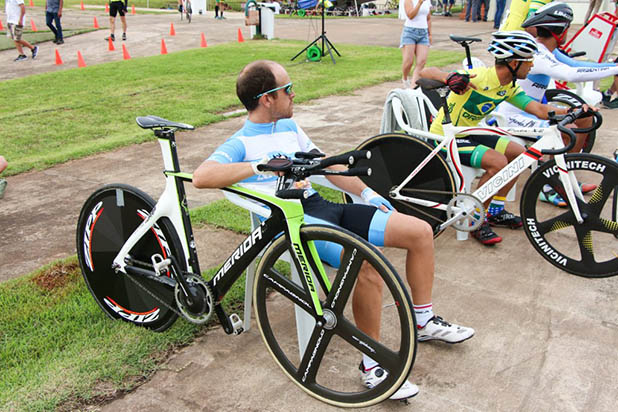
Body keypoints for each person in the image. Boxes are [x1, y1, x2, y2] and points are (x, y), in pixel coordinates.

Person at [193, 60, 475, 400]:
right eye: (287, 88)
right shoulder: (241, 142)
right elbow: (202, 177)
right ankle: (371, 364)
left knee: (419, 233)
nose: (293, 93)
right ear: (267, 98)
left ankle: (423, 321)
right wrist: (257, 166)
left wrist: (367, 193)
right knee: (365, 262)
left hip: (321, 207)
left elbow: (327, 167)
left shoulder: (290, 127)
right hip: (292, 222)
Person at [420, 31, 592, 245]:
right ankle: (475, 217)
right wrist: (449, 78)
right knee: (498, 162)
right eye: (528, 61)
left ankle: (494, 211)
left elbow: (538, 109)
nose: (531, 66)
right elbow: (425, 71)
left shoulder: (508, 87)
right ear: (513, 62)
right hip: (444, 139)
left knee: (522, 155)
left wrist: (574, 110)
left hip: (471, 133)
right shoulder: (479, 77)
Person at [493, 3, 611, 205]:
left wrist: (613, 67)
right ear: (561, 31)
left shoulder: (547, 50)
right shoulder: (536, 53)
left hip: (529, 111)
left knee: (586, 119)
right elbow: (569, 73)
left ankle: (566, 176)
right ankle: (550, 186)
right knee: (569, 130)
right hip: (510, 115)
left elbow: (576, 65)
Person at [399, 0, 432, 89]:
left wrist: (430, 34)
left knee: (421, 61)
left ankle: (413, 85)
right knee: (408, 61)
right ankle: (405, 78)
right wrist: (419, 3)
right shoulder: (409, 1)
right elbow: (410, 15)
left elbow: (428, 18)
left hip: (423, 32)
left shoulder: (427, 1)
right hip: (410, 31)